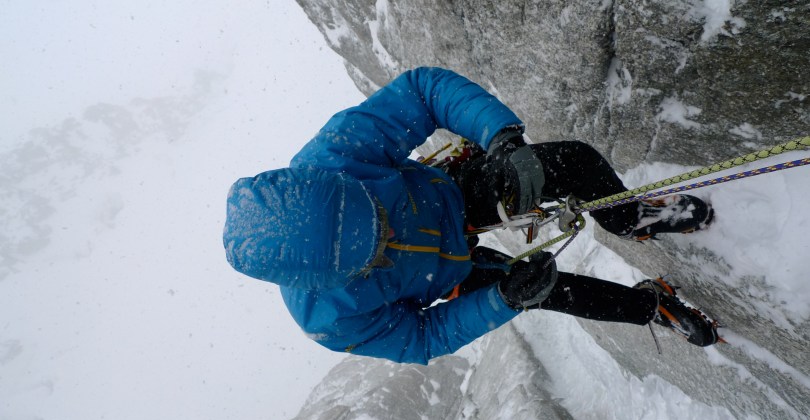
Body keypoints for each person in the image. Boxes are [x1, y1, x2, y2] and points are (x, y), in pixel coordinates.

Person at [223, 67, 718, 365]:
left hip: (452, 197)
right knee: (545, 292)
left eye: (375, 215)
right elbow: (419, 339)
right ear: (321, 279)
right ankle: (651, 307)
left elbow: (421, 92)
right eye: (374, 252)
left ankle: (630, 219)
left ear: (334, 187)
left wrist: (500, 138)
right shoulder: (328, 319)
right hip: (448, 275)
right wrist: (501, 300)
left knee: (574, 162)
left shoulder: (334, 158)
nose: (389, 234)